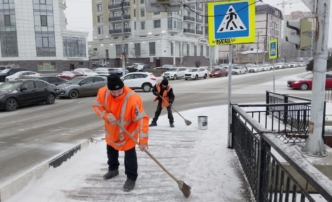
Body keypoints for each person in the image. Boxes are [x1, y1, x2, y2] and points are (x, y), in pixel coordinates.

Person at [92, 74, 149, 192]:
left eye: (119, 90)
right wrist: (106, 116)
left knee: (130, 156)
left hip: (128, 133)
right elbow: (97, 106)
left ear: (123, 86)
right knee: (111, 150)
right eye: (113, 91)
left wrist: (143, 140)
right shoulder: (103, 92)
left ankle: (131, 178)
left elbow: (142, 119)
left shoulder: (133, 99)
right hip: (111, 131)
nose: (117, 94)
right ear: (109, 89)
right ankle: (113, 169)